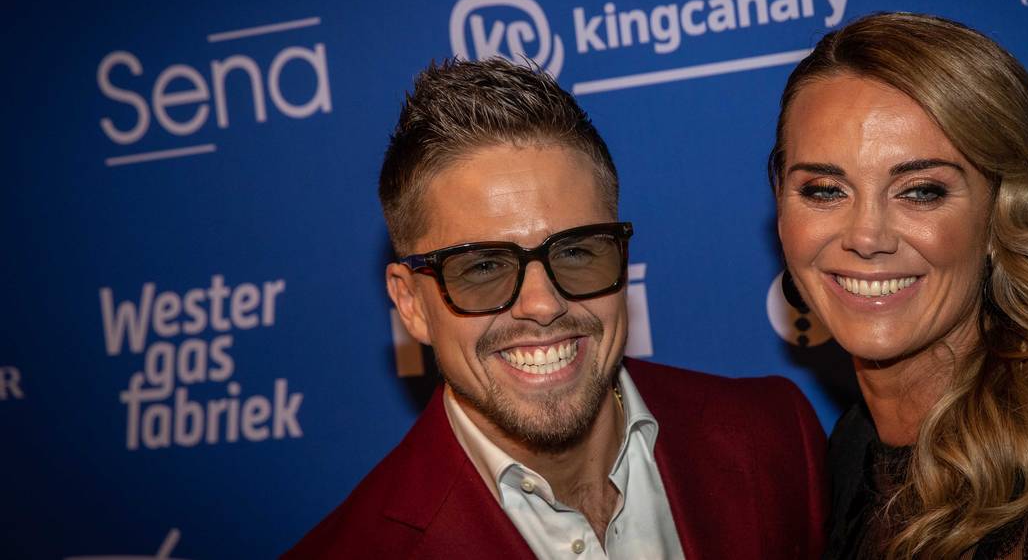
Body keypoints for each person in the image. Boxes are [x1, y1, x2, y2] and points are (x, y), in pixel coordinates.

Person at [287, 58, 828, 559]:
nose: (543, 304)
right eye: (483, 267)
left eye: (575, 253)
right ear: (411, 303)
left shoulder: (775, 437)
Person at [767, 12, 1028, 559]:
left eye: (921, 190)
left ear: (1001, 214)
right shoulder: (851, 451)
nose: (866, 237)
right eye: (825, 190)